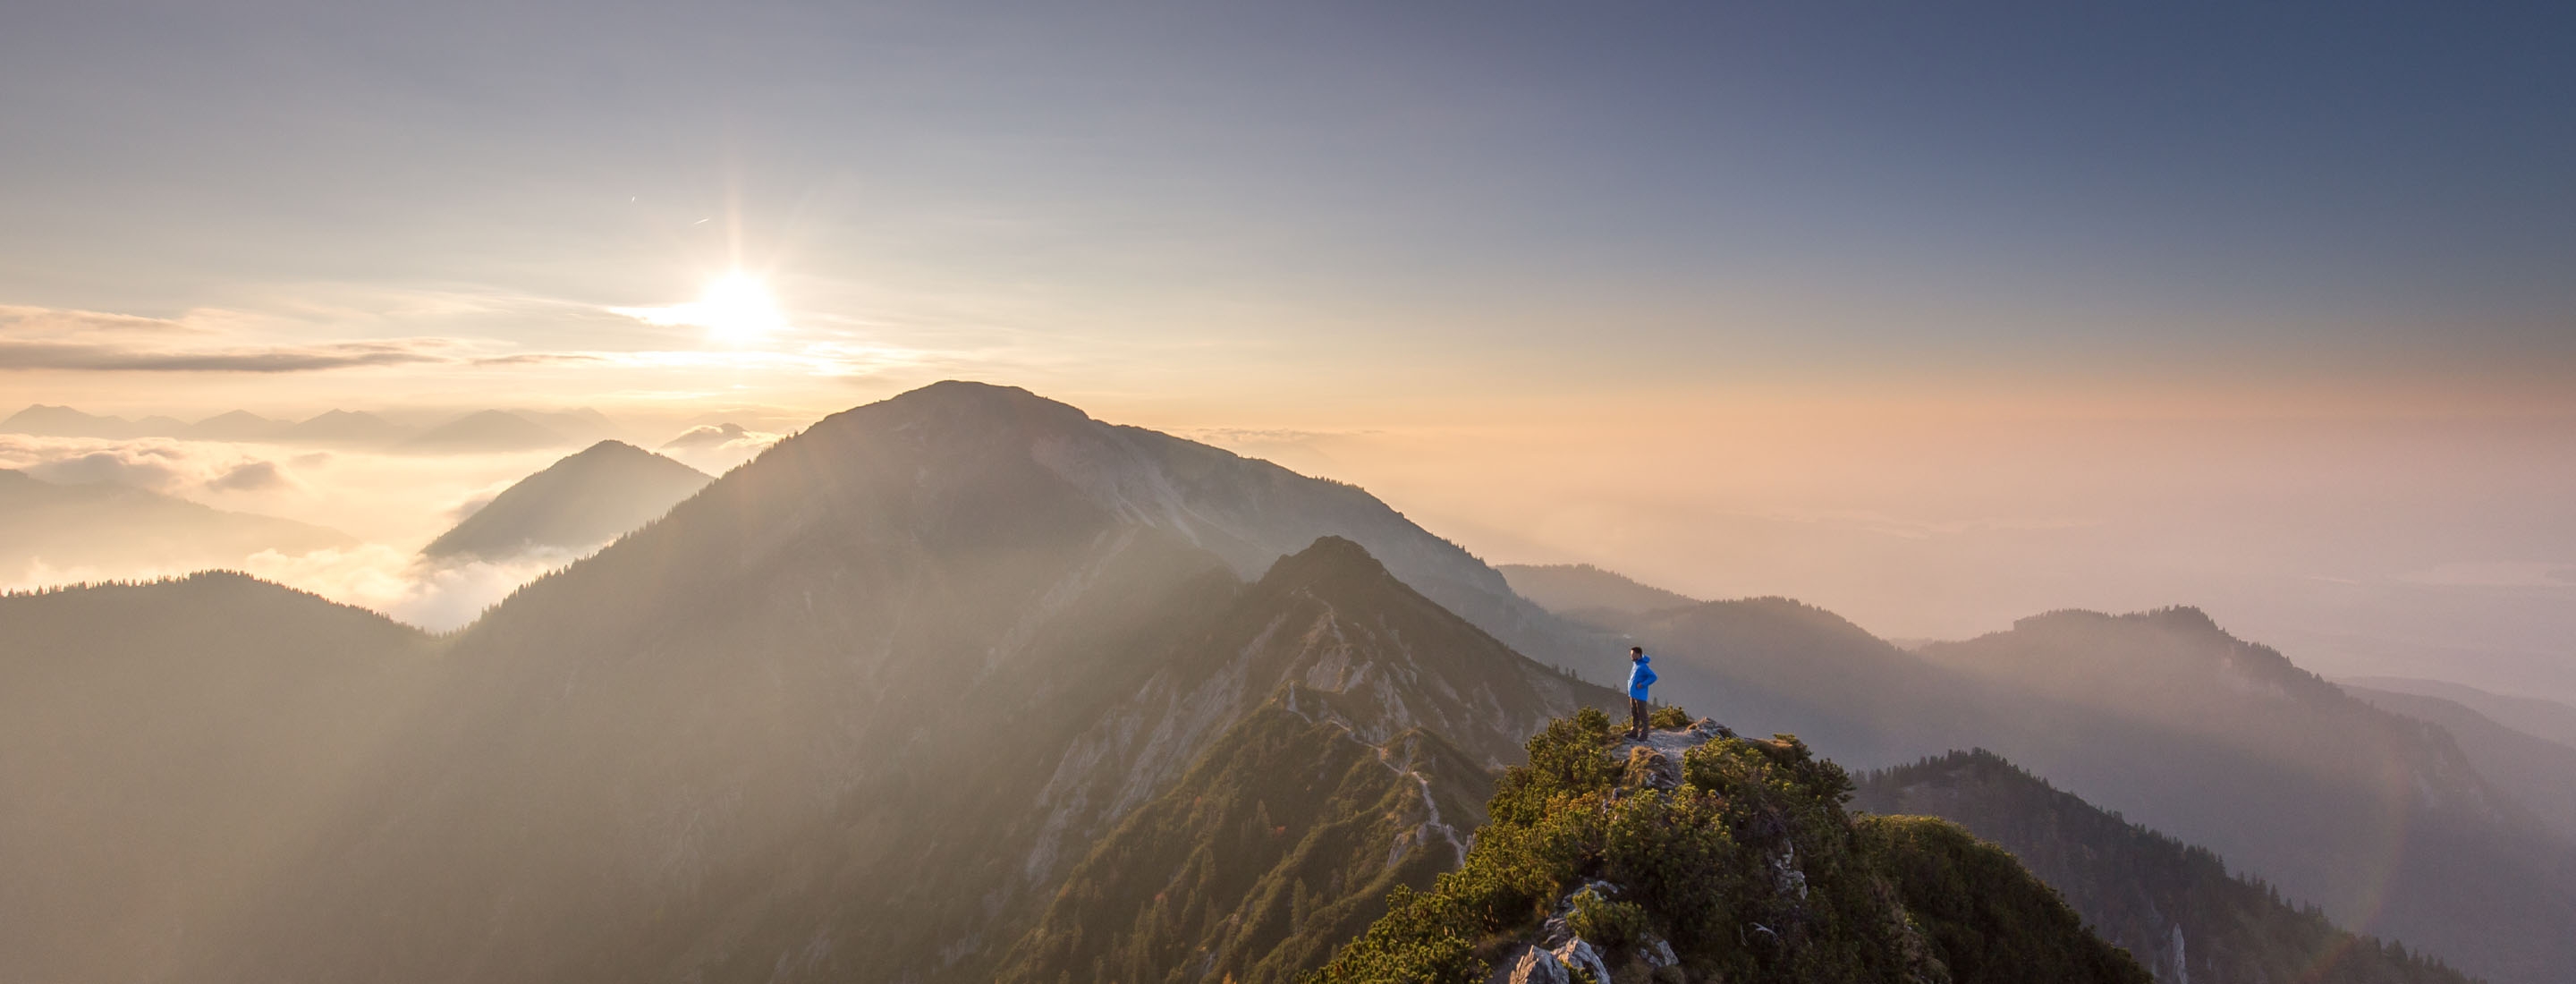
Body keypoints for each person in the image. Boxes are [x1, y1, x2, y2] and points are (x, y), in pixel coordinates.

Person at [1624, 646, 1657, 739]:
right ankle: (1634, 733)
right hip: (1633, 694)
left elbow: (1653, 677)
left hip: (1640, 696)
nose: (1631, 656)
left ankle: (1644, 735)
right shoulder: (1636, 664)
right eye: (1631, 654)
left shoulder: (1643, 666)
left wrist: (1643, 684)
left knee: (1643, 716)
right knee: (1635, 714)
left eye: (1633, 654)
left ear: (1638, 654)